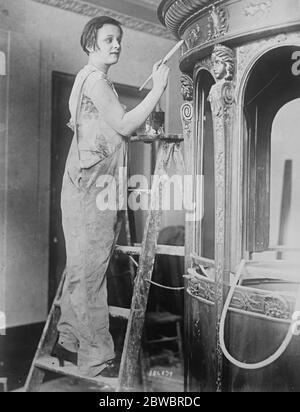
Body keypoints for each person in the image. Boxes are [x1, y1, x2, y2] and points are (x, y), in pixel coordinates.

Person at [55, 16, 169, 378]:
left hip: (82, 183)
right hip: (93, 187)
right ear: (91, 43)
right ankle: (96, 357)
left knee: (80, 268)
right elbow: (122, 124)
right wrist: (158, 89)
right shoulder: (96, 80)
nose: (117, 45)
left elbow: (101, 132)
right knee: (91, 273)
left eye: (119, 39)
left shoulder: (84, 79)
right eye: (109, 39)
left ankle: (69, 340)